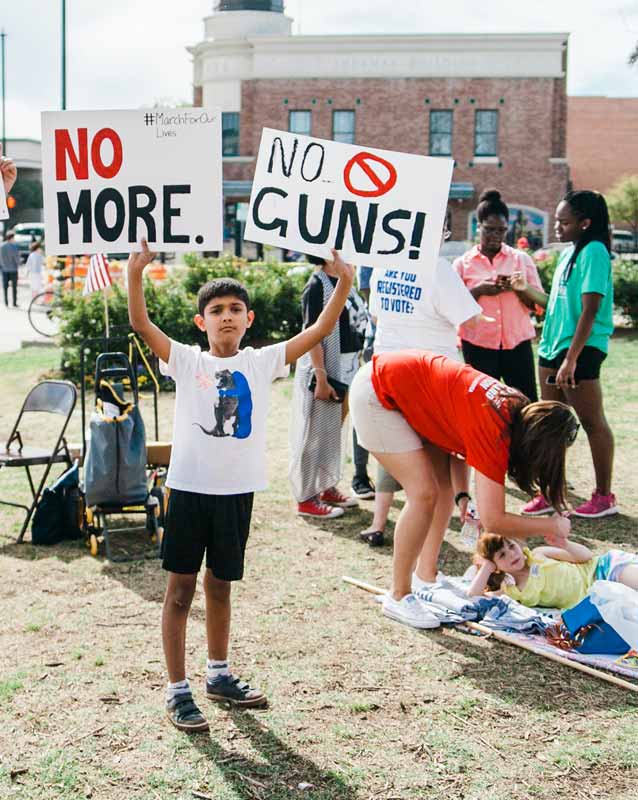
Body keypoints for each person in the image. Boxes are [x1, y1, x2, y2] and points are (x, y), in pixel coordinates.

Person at [128, 240, 354, 732]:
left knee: (221, 586)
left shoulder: (261, 360)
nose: (226, 317)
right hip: (189, 492)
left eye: (235, 310)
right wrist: (136, 274)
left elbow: (319, 329)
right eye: (215, 311)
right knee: (181, 592)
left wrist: (345, 281)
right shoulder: (186, 361)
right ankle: (178, 690)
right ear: (200, 322)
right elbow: (143, 325)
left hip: (236, 494)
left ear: (249, 319)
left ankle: (219, 673)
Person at [349, 350, 574, 629]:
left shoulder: (514, 410)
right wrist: (550, 525)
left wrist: (461, 495)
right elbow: (494, 520)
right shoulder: (496, 427)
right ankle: (398, 595)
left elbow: (458, 444)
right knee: (423, 494)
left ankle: (425, 575)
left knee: (442, 493)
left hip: (408, 390)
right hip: (377, 391)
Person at [358, 227, 483, 592]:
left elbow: (379, 317)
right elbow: (470, 320)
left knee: (429, 489)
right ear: (439, 230)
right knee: (434, 489)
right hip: (430, 384)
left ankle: (424, 576)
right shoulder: (438, 268)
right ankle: (412, 582)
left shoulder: (384, 265)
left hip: (388, 377)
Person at [512, 191, 617, 519]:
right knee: (549, 425)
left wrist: (572, 359)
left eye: (565, 222)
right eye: (557, 221)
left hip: (580, 350)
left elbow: (590, 309)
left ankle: (604, 497)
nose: (557, 227)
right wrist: (523, 290)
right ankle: (550, 494)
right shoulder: (571, 253)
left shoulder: (595, 252)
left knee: (590, 421)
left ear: (586, 223)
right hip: (551, 348)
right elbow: (557, 304)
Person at [289, 254, 368, 519]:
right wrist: (321, 376)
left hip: (348, 365)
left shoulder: (345, 279)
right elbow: (312, 333)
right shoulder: (317, 285)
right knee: (316, 433)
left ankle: (325, 485)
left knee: (334, 430)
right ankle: (307, 497)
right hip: (325, 368)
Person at [454, 189, 544, 401]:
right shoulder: (462, 264)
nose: (496, 235)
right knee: (481, 405)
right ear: (478, 227)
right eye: (490, 229)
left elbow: (537, 306)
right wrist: (479, 290)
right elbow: (454, 309)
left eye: (502, 230)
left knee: (527, 401)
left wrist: (519, 289)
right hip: (478, 346)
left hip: (517, 344)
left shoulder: (521, 260)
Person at [468, 534, 638, 608]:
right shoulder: (510, 591)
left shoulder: (539, 554)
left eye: (512, 546)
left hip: (602, 571)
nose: (512, 554)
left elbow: (586, 557)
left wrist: (565, 544)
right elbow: (474, 595)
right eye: (502, 555)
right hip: (598, 599)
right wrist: (487, 567)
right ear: (495, 566)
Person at [350, 265, 376, 499]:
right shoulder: (373, 253)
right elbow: (369, 296)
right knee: (364, 410)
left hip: (411, 342)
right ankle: (360, 475)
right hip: (377, 342)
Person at [0, 230, 20, 309]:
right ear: (11, 238)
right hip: (13, 269)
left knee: (5, 287)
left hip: (4, 269)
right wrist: (19, 264)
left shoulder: (1, 246)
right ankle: (14, 303)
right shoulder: (13, 247)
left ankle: (6, 302)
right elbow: (16, 258)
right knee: (14, 287)